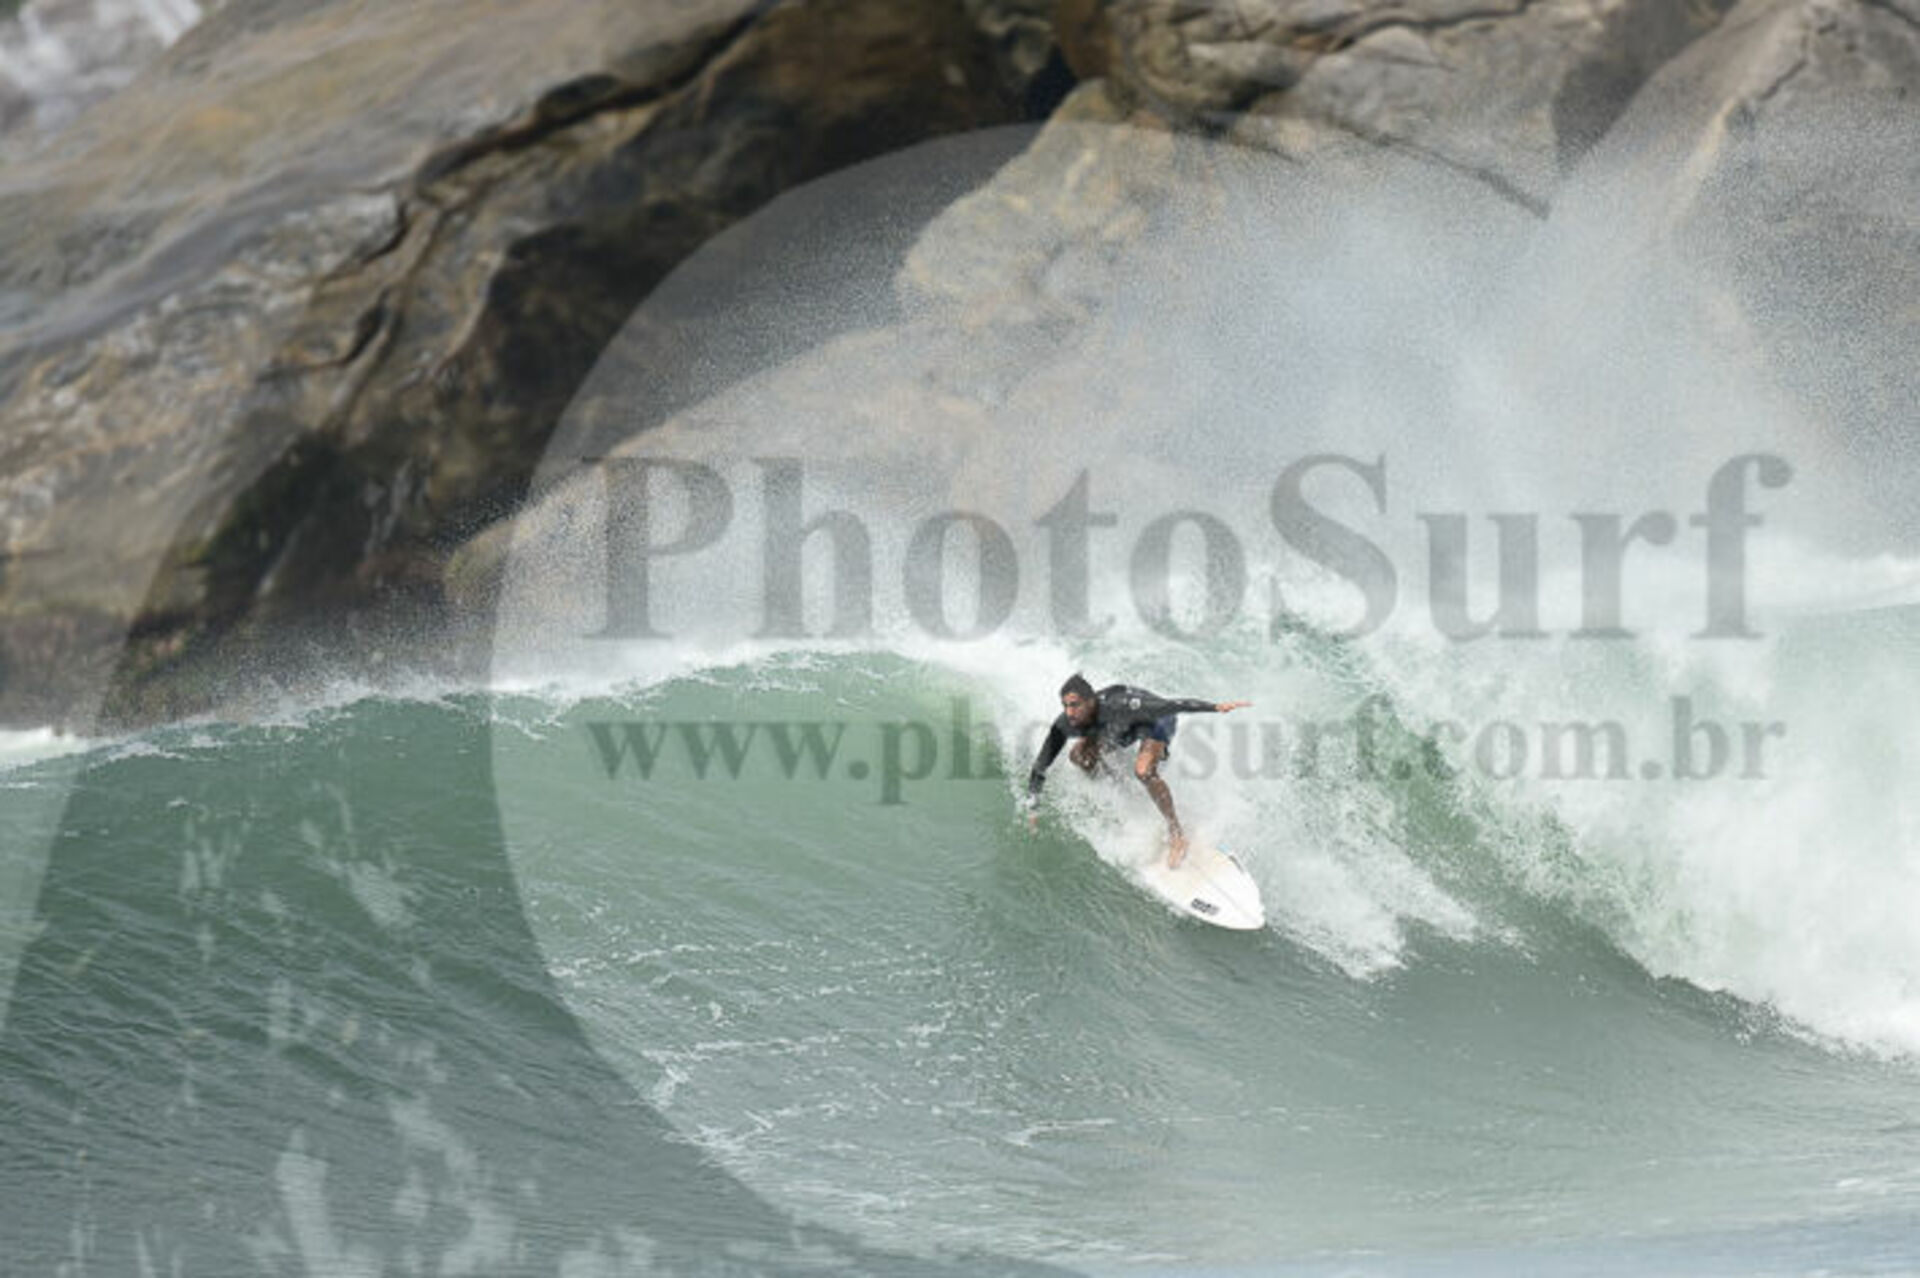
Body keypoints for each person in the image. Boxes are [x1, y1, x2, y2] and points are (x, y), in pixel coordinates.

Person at [1023, 673, 1250, 868]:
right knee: (1078, 756)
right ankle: (1124, 791)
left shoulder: (1120, 705)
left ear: (1090, 702)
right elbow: (1041, 764)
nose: (1069, 712)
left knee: (1143, 771)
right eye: (1065, 706)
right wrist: (1033, 807)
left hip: (1155, 722)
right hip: (1120, 730)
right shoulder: (1065, 723)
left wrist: (1215, 707)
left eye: (1075, 705)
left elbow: (1171, 706)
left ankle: (1177, 834)